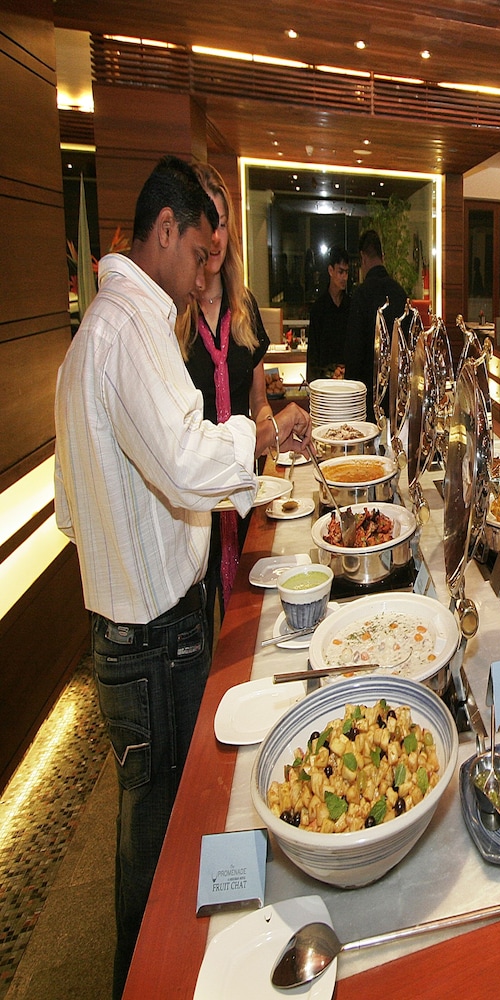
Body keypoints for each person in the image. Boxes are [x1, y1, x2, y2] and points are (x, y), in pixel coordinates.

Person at [53, 156, 311, 1000]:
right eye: (201, 253)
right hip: (151, 639)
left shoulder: (101, 329)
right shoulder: (128, 329)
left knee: (154, 828)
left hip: (131, 633)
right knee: (160, 846)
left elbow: (70, 508)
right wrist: (255, 439)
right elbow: (188, 461)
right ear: (164, 230)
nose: (206, 273)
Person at [177, 162, 308, 642]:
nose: (214, 238)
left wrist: (275, 437)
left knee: (249, 621)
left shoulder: (245, 307)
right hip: (192, 504)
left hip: (245, 490)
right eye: (206, 223)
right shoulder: (173, 314)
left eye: (222, 223)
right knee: (202, 627)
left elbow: (258, 403)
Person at [344, 228, 408, 422]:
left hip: (367, 402)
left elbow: (354, 353)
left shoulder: (361, 295)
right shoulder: (400, 294)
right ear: (383, 256)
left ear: (363, 258)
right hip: (397, 400)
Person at [307, 246, 350, 380]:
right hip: (324, 381)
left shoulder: (351, 306)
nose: (344, 277)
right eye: (340, 272)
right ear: (330, 270)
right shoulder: (319, 309)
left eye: (346, 272)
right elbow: (313, 354)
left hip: (348, 380)